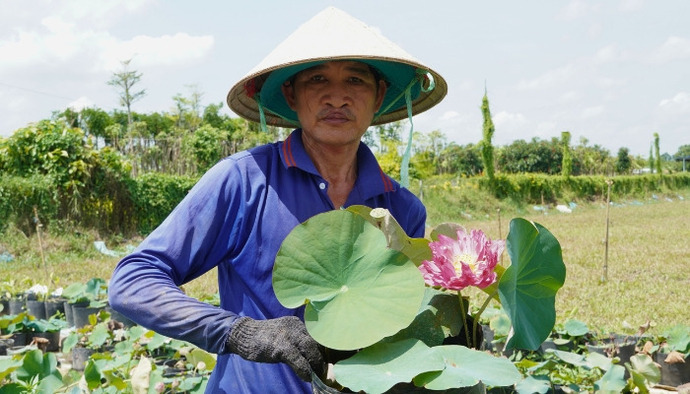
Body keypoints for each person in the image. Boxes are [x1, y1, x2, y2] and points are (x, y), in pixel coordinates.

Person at [108, 6, 446, 393]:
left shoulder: (402, 208)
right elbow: (132, 282)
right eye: (318, 79)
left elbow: (396, 316)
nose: (337, 96)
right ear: (291, 93)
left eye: (355, 79)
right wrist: (240, 332)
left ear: (379, 95)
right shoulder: (244, 181)